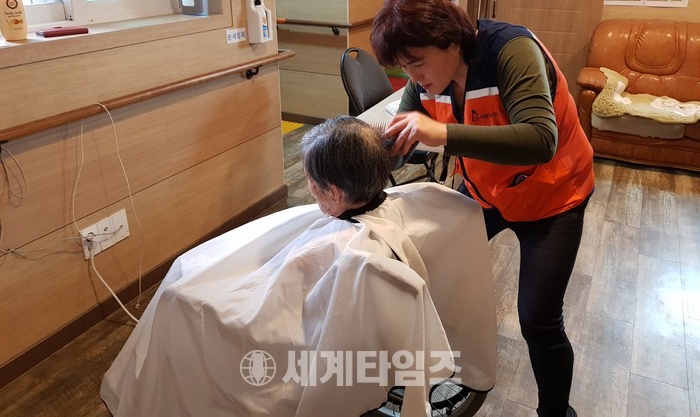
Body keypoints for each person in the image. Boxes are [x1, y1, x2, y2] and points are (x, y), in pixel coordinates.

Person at [101, 115, 497, 417]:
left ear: (334, 192)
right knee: (189, 275)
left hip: (294, 347)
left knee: (180, 295)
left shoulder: (350, 255)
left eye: (311, 182)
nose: (309, 189)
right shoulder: (414, 201)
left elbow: (274, 314)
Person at [370, 0, 594, 417]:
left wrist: (443, 134)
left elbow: (541, 139)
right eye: (403, 66)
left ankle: (555, 413)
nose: (412, 75)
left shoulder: (512, 51)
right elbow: (401, 139)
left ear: (450, 41)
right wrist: (368, 151)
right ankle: (431, 370)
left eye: (417, 61)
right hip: (486, 192)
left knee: (539, 320)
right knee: (422, 265)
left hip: (553, 197)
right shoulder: (424, 82)